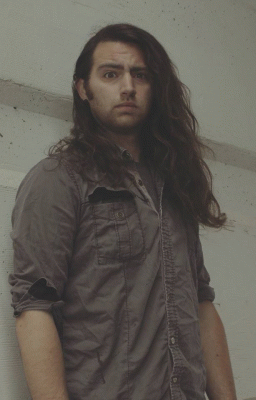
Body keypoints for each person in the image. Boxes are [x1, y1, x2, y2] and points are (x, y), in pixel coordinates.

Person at [9, 24, 237, 400]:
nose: (127, 87)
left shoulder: (174, 185)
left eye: (140, 75)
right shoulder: (58, 180)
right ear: (83, 88)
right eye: (111, 74)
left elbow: (201, 303)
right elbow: (34, 308)